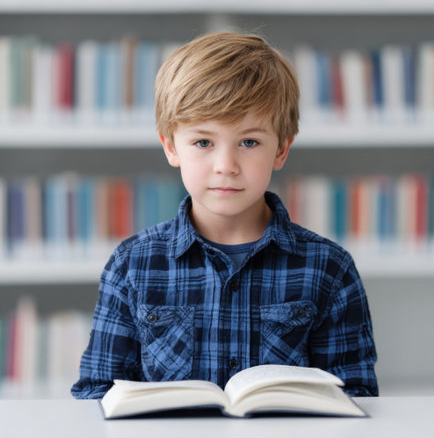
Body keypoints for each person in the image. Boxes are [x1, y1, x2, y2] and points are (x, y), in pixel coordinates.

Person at [71, 32, 378, 399]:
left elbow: (356, 396)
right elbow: (96, 393)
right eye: (203, 142)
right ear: (171, 146)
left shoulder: (330, 268)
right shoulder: (132, 265)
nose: (226, 166)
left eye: (249, 142)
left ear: (281, 149)